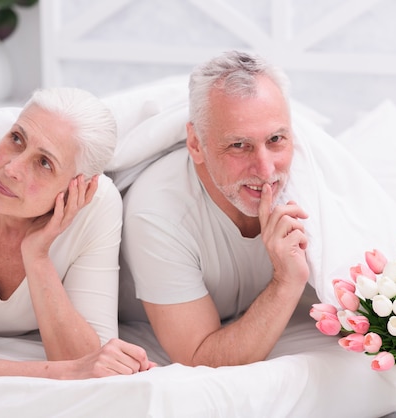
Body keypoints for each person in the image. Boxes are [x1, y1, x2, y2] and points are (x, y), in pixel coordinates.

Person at [0, 87, 155, 379]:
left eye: (44, 163)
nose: (11, 168)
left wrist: (37, 255)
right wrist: (67, 372)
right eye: (17, 139)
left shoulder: (95, 205)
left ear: (78, 186)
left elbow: (93, 361)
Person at [119, 50, 312, 367]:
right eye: (239, 145)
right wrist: (286, 283)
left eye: (276, 139)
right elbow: (200, 357)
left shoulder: (306, 179)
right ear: (195, 144)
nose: (265, 170)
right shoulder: (158, 211)